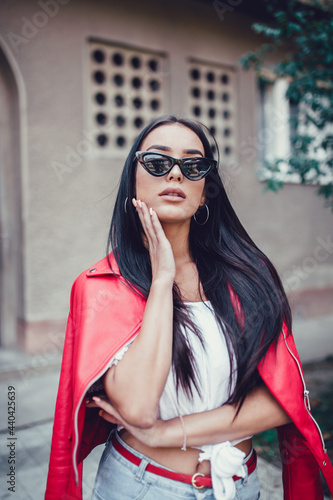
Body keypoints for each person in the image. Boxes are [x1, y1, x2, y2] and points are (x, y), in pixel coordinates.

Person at [45, 115, 333, 500]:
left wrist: (168, 433)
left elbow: (283, 399)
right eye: (157, 162)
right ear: (133, 179)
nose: (175, 175)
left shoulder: (247, 277)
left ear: (204, 191)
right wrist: (163, 280)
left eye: (193, 165)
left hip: (240, 487)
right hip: (143, 488)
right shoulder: (100, 287)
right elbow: (137, 409)